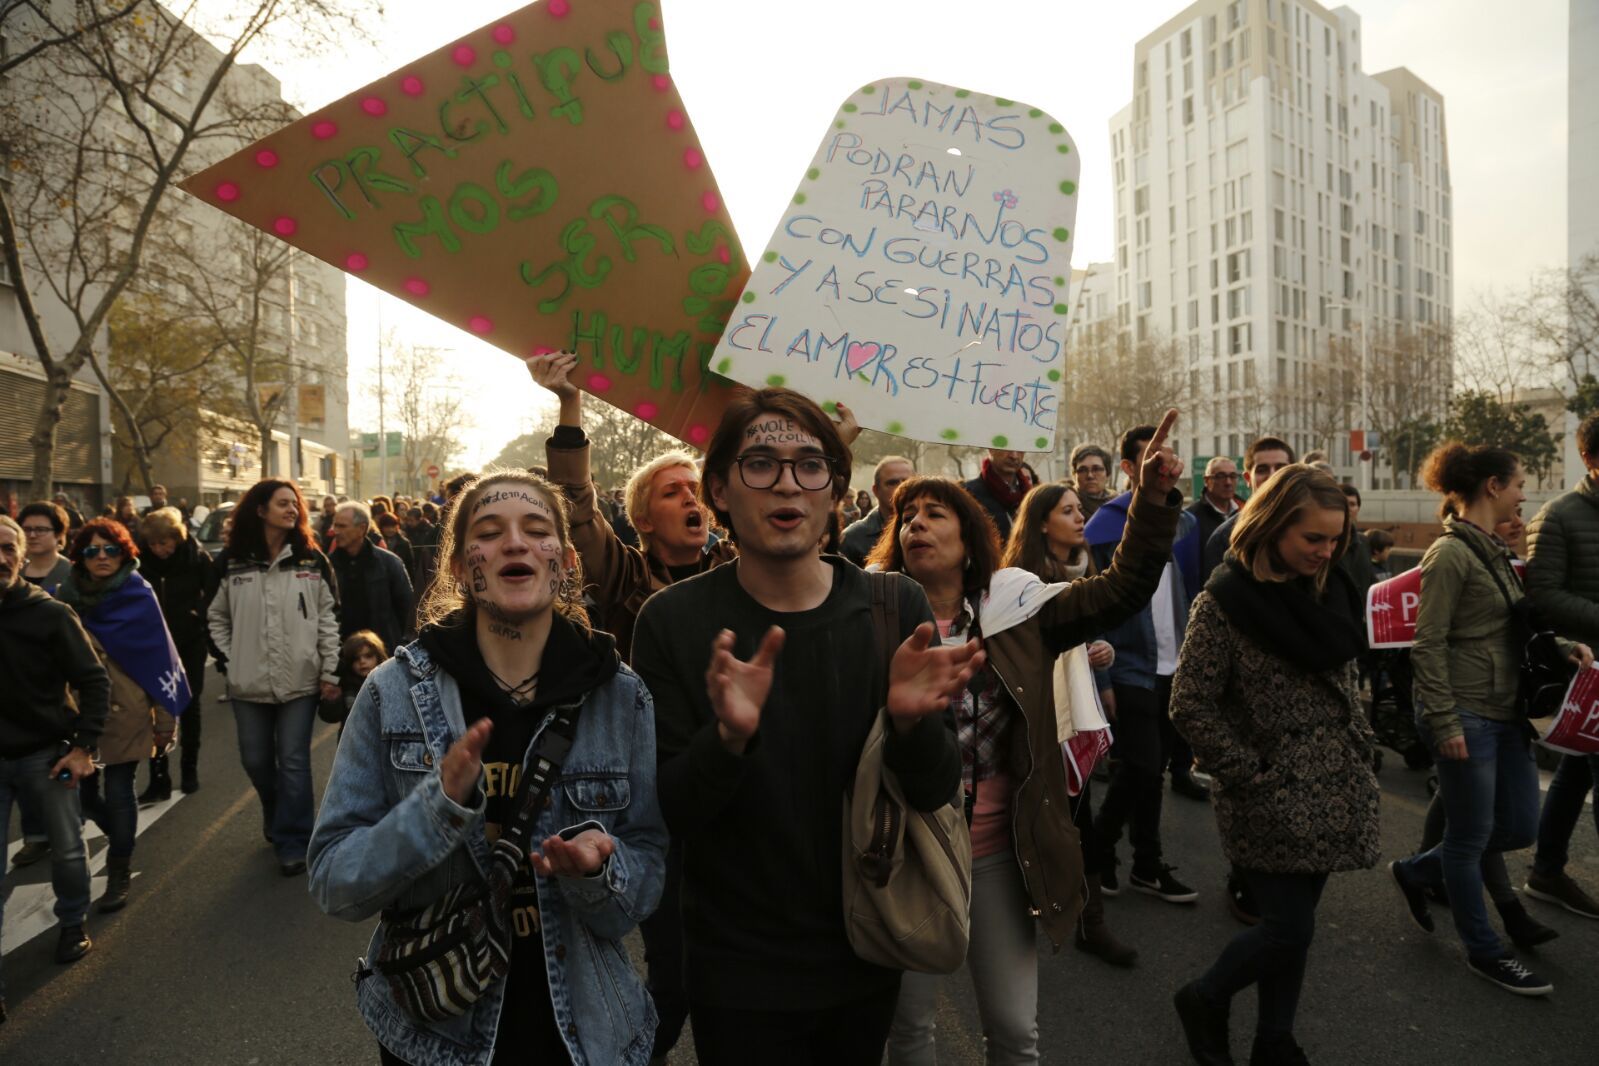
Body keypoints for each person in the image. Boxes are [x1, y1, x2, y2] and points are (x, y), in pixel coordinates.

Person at [631, 386, 983, 1066]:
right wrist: (727, 740)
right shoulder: (673, 622)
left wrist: (911, 723)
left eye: (809, 464)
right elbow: (667, 809)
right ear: (722, 493)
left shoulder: (890, 604)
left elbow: (936, 789)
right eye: (759, 463)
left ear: (836, 490)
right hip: (734, 967)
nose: (787, 483)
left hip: (863, 944)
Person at [308, 469, 667, 1066]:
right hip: (434, 1035)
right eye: (491, 531)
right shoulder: (393, 693)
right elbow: (334, 885)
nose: (516, 543)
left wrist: (596, 872)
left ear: (565, 560)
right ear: (457, 565)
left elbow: (647, 873)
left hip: (586, 1034)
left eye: (536, 529)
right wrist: (434, 810)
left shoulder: (621, 697)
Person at [882, 444, 1182, 1063]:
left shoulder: (1019, 607)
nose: (916, 524)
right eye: (906, 516)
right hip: (906, 849)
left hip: (996, 850)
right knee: (909, 1031)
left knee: (1016, 1033)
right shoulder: (869, 615)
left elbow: (1120, 590)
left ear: (970, 540)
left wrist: (1150, 502)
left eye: (935, 513)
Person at [1169, 465, 1379, 1066]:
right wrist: (1251, 774)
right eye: (1313, 538)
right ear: (1272, 525)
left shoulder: (1328, 588)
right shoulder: (1224, 601)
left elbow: (1343, 674)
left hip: (1335, 783)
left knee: (1297, 928)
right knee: (1288, 929)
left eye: (1335, 538)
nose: (1327, 550)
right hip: (1271, 794)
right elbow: (1189, 704)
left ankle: (1274, 1040)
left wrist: (1361, 738)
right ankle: (1204, 998)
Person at [1387, 443, 1593, 996]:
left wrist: (1567, 644)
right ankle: (1485, 950)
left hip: (1507, 713)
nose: (1526, 493)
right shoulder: (1450, 553)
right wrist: (1446, 722)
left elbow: (1511, 625)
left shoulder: (1493, 548)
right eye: (1520, 483)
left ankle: (1416, 870)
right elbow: (1425, 645)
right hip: (1468, 712)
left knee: (1519, 827)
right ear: (1493, 487)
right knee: (1471, 834)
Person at [999, 481, 1136, 969]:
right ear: (1040, 522)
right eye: (1068, 511)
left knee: (1079, 821)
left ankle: (1090, 922)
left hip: (1074, 718)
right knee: (1032, 819)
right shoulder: (1017, 579)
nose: (1081, 518)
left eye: (1081, 509)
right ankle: (1017, 921)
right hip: (1033, 718)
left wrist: (1102, 654)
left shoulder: (1086, 570)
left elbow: (1090, 640)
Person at [1086, 424, 1205, 904]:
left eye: (1171, 460)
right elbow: (1089, 608)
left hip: (1172, 662)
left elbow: (1190, 552)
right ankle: (1103, 851)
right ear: (1130, 468)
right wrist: (1104, 676)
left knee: (1148, 772)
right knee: (1140, 765)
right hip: (1127, 664)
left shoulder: (1178, 521)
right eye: (1154, 461)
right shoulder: (1101, 528)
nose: (1166, 468)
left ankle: (1139, 864)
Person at [0, 513, 108, 1011]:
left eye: (8, 548)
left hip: (47, 755)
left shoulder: (50, 614)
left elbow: (93, 680)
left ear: (23, 557)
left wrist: (83, 748)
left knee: (68, 851)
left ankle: (71, 923)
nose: (0, 558)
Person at [208, 479, 341, 877]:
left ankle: (294, 841)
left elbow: (329, 620)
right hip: (247, 684)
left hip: (300, 681)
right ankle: (275, 808)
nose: (292, 509)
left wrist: (330, 670)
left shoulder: (311, 560)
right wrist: (234, 660)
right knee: (256, 760)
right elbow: (215, 618)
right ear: (260, 509)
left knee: (295, 762)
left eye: (294, 504)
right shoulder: (231, 562)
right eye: (283, 503)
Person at [59, 518, 186, 913]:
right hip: (76, 713)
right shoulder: (64, 597)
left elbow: (160, 656)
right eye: (91, 550)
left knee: (118, 791)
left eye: (110, 549)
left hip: (128, 711)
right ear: (79, 556)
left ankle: (118, 869)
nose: (101, 557)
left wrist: (165, 721)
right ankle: (122, 838)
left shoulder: (138, 593)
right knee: (79, 795)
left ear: (124, 552)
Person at [1522, 411, 1599, 920]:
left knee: (1575, 773)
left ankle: (1546, 871)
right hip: (1587, 666)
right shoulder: (1558, 515)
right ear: (1591, 460)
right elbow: (1542, 597)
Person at [138, 506, 217, 797]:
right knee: (155, 708)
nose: (159, 549)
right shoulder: (140, 563)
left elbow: (213, 593)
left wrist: (198, 614)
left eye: (164, 542)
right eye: (153, 544)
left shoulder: (196, 558)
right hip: (153, 643)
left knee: (189, 704)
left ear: (177, 537)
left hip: (188, 641)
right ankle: (159, 777)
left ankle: (189, 769)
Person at [1203, 437, 1297, 578]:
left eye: (1280, 468)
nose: (1272, 476)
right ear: (1247, 478)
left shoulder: (1317, 525)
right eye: (1262, 469)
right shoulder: (1225, 537)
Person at [329, 502, 414, 656]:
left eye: (342, 526)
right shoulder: (328, 566)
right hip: (342, 656)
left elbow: (408, 610)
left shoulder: (389, 563)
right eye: (335, 526)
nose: (335, 531)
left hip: (383, 653)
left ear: (361, 528)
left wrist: (403, 649)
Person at [841, 455, 916, 567]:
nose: (901, 487)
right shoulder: (852, 538)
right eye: (892, 483)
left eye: (907, 482)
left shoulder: (929, 530)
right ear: (876, 491)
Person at [962, 447, 1033, 541]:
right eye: (1006, 447)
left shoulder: (1032, 496)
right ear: (991, 449)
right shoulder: (968, 494)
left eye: (1020, 449)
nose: (1014, 456)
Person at [19, 501, 73, 596]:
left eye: (41, 530)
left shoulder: (71, 573)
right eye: (27, 530)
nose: (32, 535)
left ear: (59, 534)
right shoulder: (15, 571)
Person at [1189, 457, 1241, 551]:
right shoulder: (1191, 518)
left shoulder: (1244, 513)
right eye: (1220, 476)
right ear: (1206, 480)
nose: (1228, 482)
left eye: (1233, 476)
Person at [1069, 444, 1116, 520]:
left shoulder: (1119, 505)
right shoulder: (1065, 505)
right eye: (1083, 470)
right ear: (1074, 475)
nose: (1090, 476)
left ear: (1107, 474)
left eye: (1096, 469)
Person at [374, 511, 417, 586]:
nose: (390, 530)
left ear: (397, 527)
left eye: (393, 526)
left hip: (400, 580)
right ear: (381, 527)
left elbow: (410, 566)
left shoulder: (404, 543)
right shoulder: (376, 542)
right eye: (387, 527)